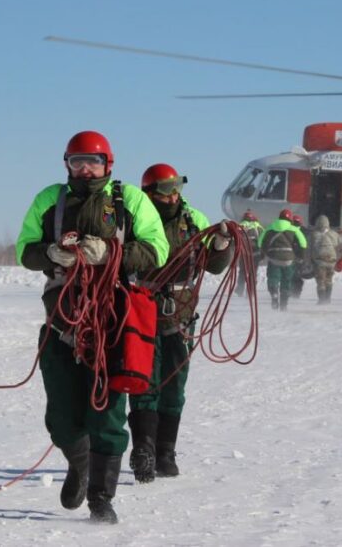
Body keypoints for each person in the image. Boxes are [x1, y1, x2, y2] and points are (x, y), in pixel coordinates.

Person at [16, 131, 168, 524]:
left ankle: (101, 497)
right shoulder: (50, 199)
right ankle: (78, 461)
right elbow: (24, 249)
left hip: (111, 327)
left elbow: (157, 248)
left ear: (108, 164)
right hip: (61, 322)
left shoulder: (129, 199)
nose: (85, 168)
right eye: (77, 161)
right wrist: (49, 253)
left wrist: (111, 254)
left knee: (108, 415)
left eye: (93, 161)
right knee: (62, 418)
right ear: (66, 163)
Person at [128, 163, 235, 485]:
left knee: (174, 385)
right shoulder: (135, 221)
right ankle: (143, 450)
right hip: (142, 310)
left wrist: (220, 247)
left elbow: (213, 267)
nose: (173, 195)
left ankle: (165, 453)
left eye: (177, 187)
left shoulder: (195, 221)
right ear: (149, 192)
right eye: (165, 189)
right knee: (143, 380)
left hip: (181, 315)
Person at [259, 209, 308, 311]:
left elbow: (260, 242)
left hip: (274, 258)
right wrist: (301, 256)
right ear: (290, 218)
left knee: (273, 278)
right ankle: (284, 305)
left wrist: (264, 254)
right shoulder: (294, 229)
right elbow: (303, 243)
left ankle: (274, 293)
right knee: (286, 281)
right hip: (289, 260)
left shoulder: (270, 228)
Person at [309, 215, 340, 305]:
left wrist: (309, 260)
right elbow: (337, 244)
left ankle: (322, 300)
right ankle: (328, 299)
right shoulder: (334, 234)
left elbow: (310, 248)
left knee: (321, 281)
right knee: (329, 280)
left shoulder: (313, 234)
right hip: (331, 260)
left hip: (320, 261)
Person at [235, 210, 264, 296]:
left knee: (242, 272)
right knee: (253, 273)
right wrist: (262, 254)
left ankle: (239, 291)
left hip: (244, 254)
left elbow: (235, 240)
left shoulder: (240, 226)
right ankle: (250, 293)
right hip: (255, 255)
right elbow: (263, 241)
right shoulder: (259, 227)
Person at [289, 214, 307, 298]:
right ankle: (296, 293)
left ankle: (294, 292)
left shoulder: (289, 230)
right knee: (297, 276)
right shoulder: (305, 231)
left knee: (292, 275)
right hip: (301, 257)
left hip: (292, 256)